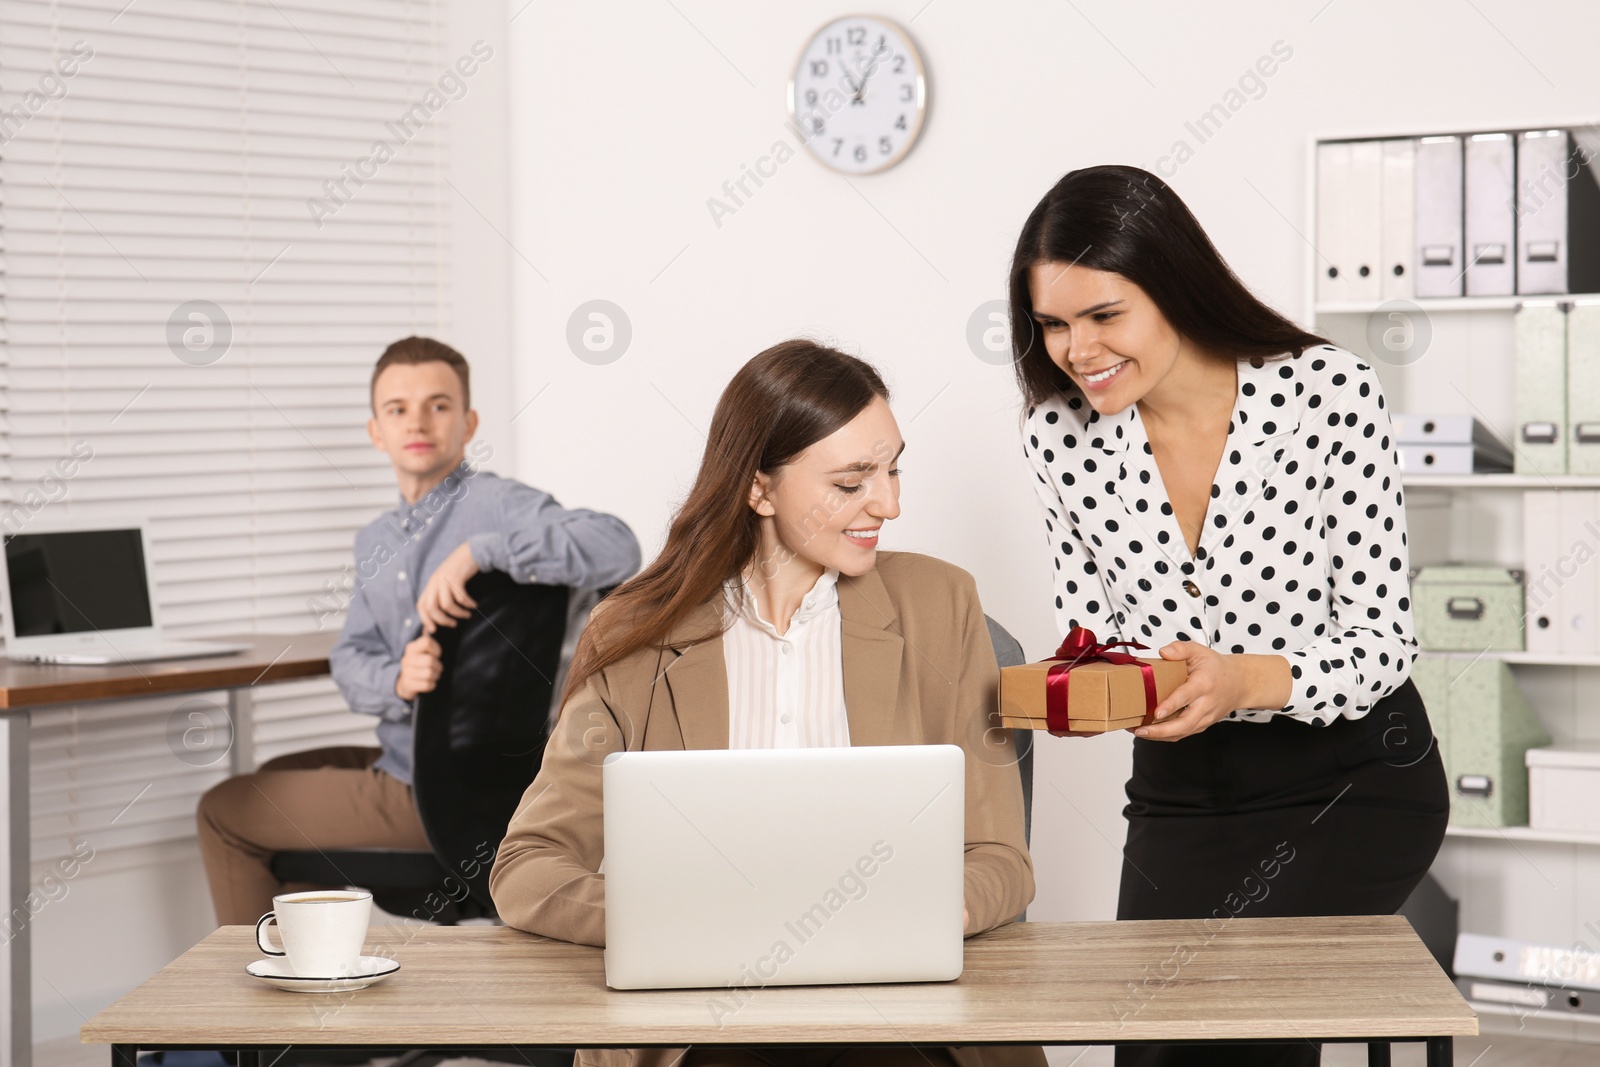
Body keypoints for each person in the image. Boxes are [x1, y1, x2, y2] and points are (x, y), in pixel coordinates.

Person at [490, 340, 1044, 1067]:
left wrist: (938, 910)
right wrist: (666, 922)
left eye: (893, 469)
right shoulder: (634, 632)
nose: (890, 503)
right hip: (706, 1023)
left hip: (897, 1014)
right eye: (852, 482)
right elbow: (528, 865)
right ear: (759, 489)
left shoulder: (941, 603)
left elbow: (1003, 856)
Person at [1009, 166, 1449, 1067]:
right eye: (1052, 323)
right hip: (1185, 793)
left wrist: (1239, 677)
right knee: (1150, 1049)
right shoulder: (1059, 434)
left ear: (1172, 285)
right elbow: (1096, 630)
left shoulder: (1327, 392)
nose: (1074, 349)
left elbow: (1382, 642)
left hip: (1351, 779)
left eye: (1103, 315)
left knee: (1236, 1036)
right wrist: (1078, 691)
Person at [197, 336, 641, 928]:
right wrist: (399, 680)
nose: (419, 422)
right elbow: (352, 657)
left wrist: (480, 552)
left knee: (225, 810)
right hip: (409, 756)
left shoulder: (500, 506)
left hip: (450, 788)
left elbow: (618, 547)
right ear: (375, 431)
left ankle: (252, 1020)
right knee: (274, 777)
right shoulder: (375, 541)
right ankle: (313, 983)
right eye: (398, 409)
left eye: (438, 405)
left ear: (468, 421)